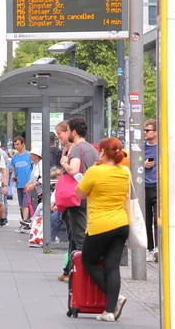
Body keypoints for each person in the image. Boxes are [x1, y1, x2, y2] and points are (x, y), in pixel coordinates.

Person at [75, 137, 129, 322]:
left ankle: (115, 301)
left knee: (89, 262)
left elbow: (79, 194)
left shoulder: (94, 171)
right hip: (121, 224)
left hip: (100, 225)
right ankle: (109, 311)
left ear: (103, 152)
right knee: (112, 266)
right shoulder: (125, 171)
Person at [56, 118, 99, 282]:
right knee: (74, 234)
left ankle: (85, 273)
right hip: (88, 194)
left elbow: (73, 170)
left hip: (77, 196)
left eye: (67, 131)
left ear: (73, 132)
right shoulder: (92, 149)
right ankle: (69, 271)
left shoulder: (76, 149)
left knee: (79, 235)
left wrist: (64, 163)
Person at [9, 136, 32, 232]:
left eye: (18, 144)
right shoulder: (15, 157)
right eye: (15, 144)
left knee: (25, 204)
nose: (16, 146)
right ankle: (25, 222)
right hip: (19, 184)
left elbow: (33, 168)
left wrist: (31, 181)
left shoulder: (29, 155)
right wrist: (13, 177)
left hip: (27, 184)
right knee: (21, 205)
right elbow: (13, 169)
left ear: (23, 144)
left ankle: (25, 222)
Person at [143, 119, 158, 262]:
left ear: (156, 132)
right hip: (145, 187)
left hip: (159, 186)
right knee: (147, 219)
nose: (145, 133)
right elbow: (135, 165)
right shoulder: (142, 147)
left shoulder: (162, 147)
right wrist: (143, 164)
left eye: (148, 130)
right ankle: (150, 248)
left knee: (157, 219)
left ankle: (158, 248)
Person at [21, 147, 43, 228]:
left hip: (43, 190)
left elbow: (42, 177)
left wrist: (34, 185)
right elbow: (33, 177)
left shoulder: (41, 164)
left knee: (41, 207)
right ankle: (35, 222)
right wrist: (28, 184)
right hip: (39, 191)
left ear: (36, 156)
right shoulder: (35, 165)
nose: (30, 156)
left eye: (31, 155)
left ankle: (34, 222)